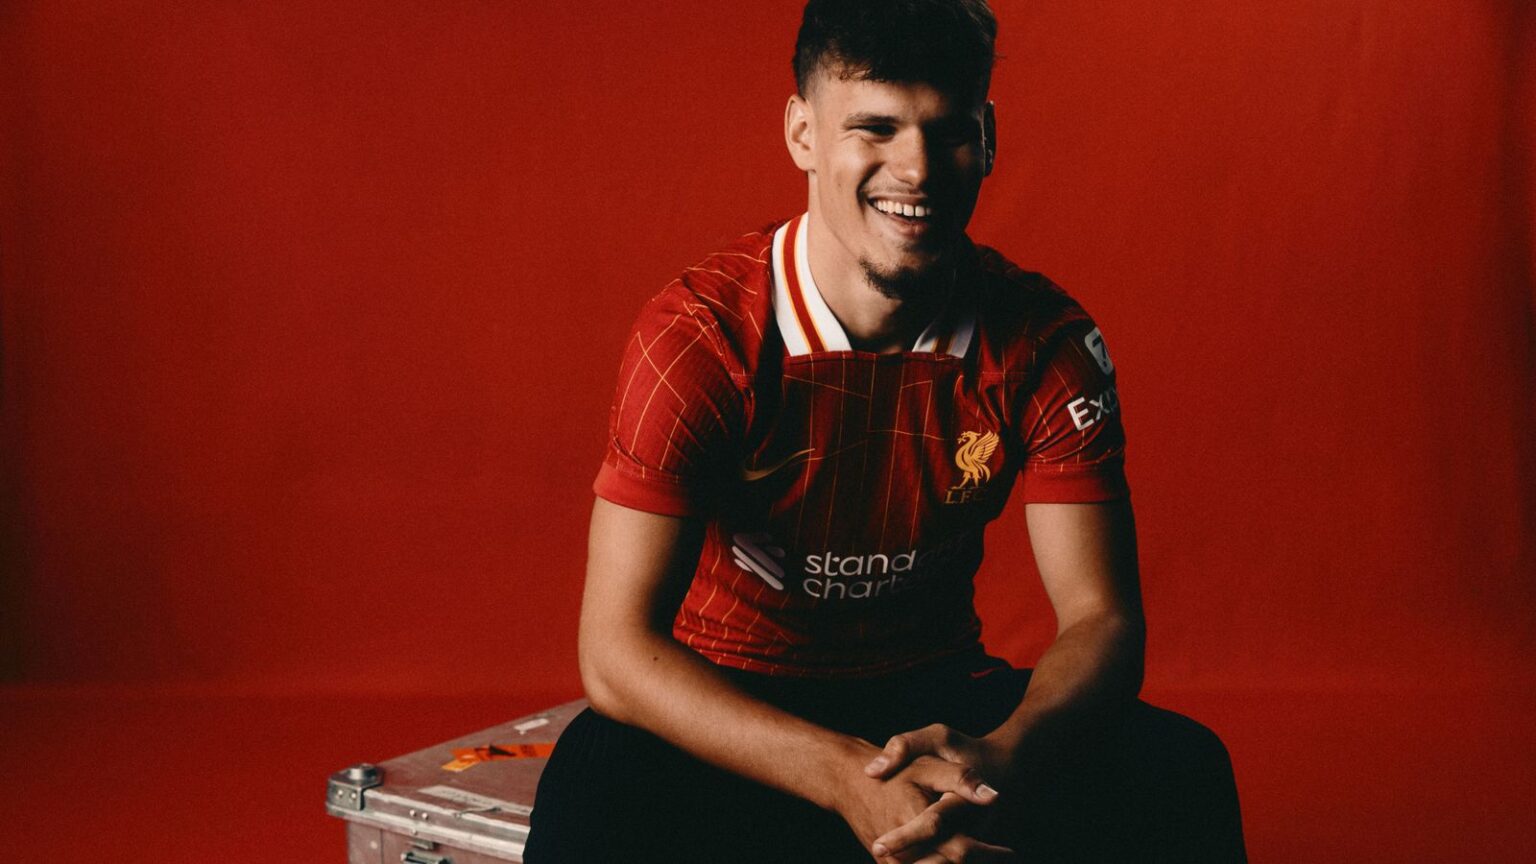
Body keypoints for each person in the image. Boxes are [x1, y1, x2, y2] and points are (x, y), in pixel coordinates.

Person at [524, 1, 1246, 861]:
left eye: (949, 132)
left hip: (935, 695)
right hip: (740, 700)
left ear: (987, 138)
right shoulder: (700, 339)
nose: (917, 169)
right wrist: (844, 777)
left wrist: (997, 765)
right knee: (592, 794)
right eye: (875, 128)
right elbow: (614, 652)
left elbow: (1102, 618)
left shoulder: (1044, 342)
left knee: (1182, 768)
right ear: (803, 134)